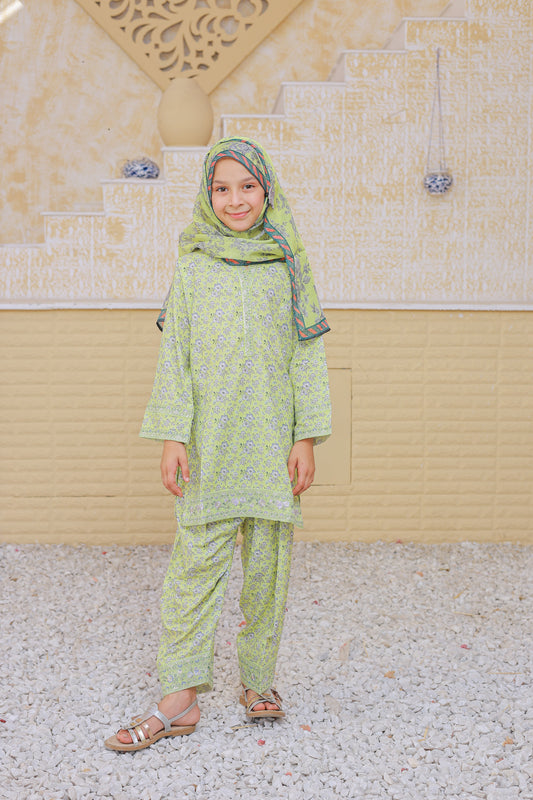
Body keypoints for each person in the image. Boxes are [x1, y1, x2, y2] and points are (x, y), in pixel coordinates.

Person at [104, 137, 331, 752]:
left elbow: (306, 357)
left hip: (271, 443)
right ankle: (178, 701)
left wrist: (305, 438)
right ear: (208, 195)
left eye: (248, 186)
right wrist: (173, 435)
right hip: (208, 443)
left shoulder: (289, 264)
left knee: (267, 572)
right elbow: (174, 357)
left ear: (268, 190)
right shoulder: (194, 263)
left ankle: (258, 682)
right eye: (221, 188)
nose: (235, 200)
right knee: (192, 572)